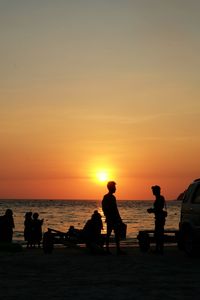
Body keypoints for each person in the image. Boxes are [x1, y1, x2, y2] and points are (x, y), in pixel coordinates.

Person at [102, 181, 125, 255]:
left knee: (109, 234)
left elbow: (104, 208)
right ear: (111, 188)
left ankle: (108, 249)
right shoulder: (111, 197)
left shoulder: (106, 197)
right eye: (114, 187)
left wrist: (106, 215)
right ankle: (116, 250)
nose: (115, 189)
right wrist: (119, 219)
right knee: (116, 234)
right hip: (113, 218)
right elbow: (115, 209)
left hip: (109, 218)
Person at [147, 185, 167, 254]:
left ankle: (159, 250)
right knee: (158, 234)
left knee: (159, 234)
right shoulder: (159, 198)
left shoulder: (160, 198)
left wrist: (152, 210)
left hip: (160, 218)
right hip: (159, 218)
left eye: (153, 190)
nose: (152, 192)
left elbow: (158, 209)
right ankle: (158, 249)